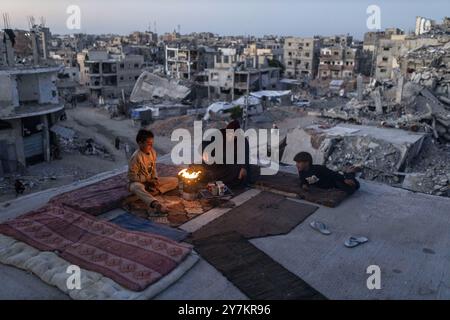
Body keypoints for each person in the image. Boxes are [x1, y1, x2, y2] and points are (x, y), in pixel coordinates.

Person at [128, 129, 178, 217]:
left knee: (175, 180)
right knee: (136, 187)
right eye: (148, 143)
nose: (151, 145)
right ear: (140, 143)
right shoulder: (136, 157)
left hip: (150, 181)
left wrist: (154, 179)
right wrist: (146, 181)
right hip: (139, 182)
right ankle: (155, 204)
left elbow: (153, 168)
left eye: (152, 143)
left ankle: (151, 192)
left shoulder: (153, 152)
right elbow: (132, 176)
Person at [294, 152, 360, 195]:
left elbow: (333, 174)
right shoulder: (301, 171)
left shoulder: (318, 169)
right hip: (325, 186)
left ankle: (350, 172)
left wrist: (344, 179)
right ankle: (348, 172)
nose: (296, 165)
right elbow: (303, 180)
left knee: (354, 187)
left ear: (307, 163)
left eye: (299, 162)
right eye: (296, 162)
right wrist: (304, 185)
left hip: (335, 182)